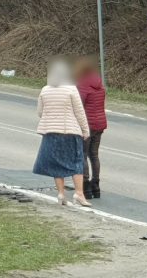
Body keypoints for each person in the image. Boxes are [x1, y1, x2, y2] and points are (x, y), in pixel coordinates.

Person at [34, 58, 92, 207]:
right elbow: (79, 112)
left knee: (56, 163)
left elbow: (40, 112)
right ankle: (79, 193)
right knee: (76, 161)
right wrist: (85, 130)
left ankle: (61, 193)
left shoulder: (45, 90)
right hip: (69, 131)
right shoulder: (71, 89)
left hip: (50, 132)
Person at [75, 56, 107, 199]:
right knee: (94, 154)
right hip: (100, 123)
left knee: (83, 154)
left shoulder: (82, 85)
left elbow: (78, 105)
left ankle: (86, 186)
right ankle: (96, 185)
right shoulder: (99, 84)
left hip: (87, 124)